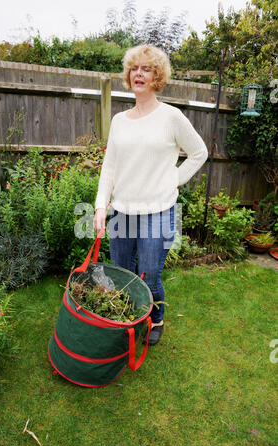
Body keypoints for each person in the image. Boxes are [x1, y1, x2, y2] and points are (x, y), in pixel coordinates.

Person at [93, 44, 208, 346]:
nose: (138, 74)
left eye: (146, 68)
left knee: (148, 275)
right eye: (134, 68)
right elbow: (110, 167)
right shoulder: (119, 120)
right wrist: (100, 206)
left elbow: (199, 153)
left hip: (158, 211)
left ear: (157, 76)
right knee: (122, 272)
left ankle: (156, 318)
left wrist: (174, 181)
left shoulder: (172, 117)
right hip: (122, 211)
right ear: (128, 74)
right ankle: (130, 317)